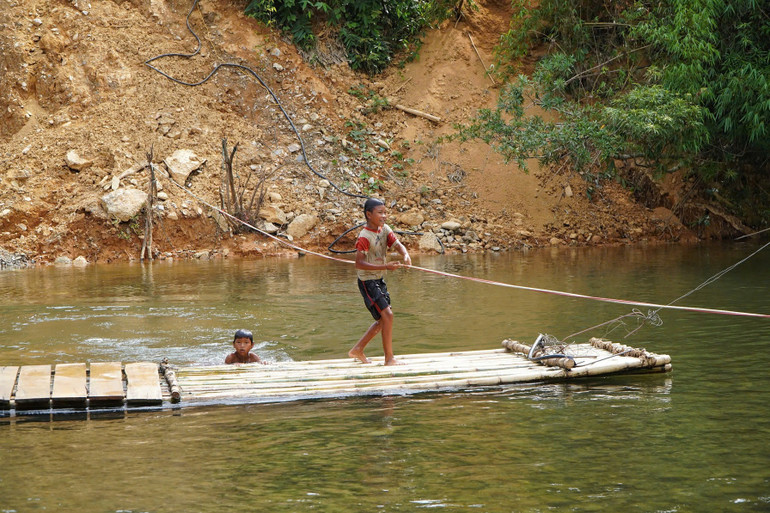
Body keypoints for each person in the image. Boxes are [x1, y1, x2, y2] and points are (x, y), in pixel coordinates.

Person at [348, 198, 411, 366]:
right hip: (367, 281)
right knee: (388, 316)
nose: (384, 216)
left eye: (385, 212)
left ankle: (358, 349)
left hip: (379, 279)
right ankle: (389, 359)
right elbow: (358, 263)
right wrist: (385, 266)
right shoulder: (364, 236)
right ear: (369, 215)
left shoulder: (385, 230)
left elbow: (398, 245)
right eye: (380, 213)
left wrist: (405, 255)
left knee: (384, 320)